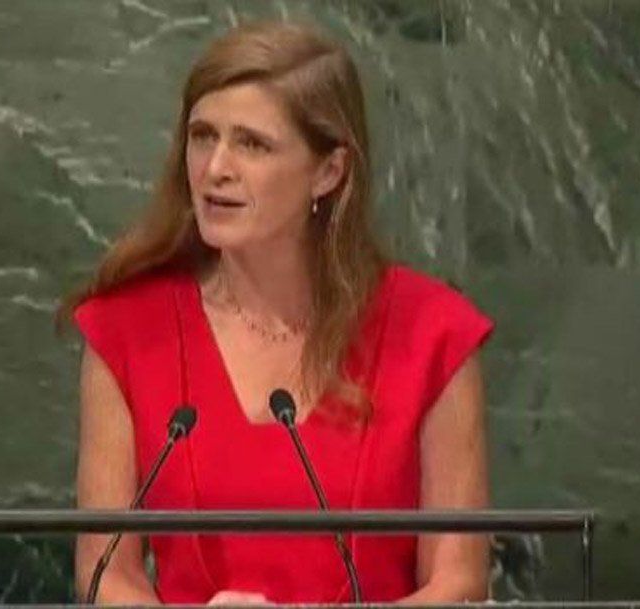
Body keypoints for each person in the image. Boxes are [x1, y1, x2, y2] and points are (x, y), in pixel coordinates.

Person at [63, 20, 493, 605]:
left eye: (252, 144)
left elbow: (458, 582)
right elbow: (107, 577)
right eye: (202, 136)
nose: (215, 169)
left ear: (329, 171)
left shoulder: (432, 334)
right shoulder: (126, 332)